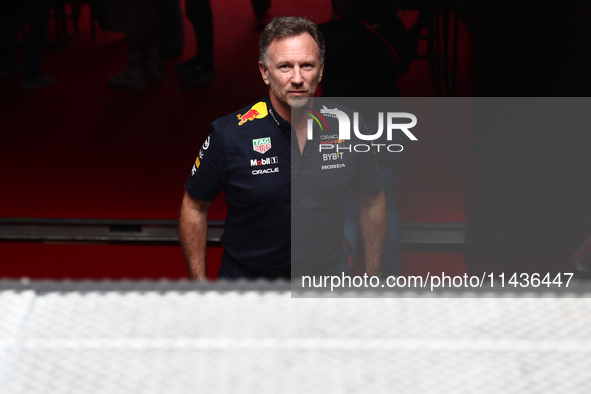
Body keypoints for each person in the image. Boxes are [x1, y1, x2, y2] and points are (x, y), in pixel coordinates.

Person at [179, 16, 386, 280]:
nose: (297, 78)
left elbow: (372, 201)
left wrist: (372, 279)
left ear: (321, 70)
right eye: (285, 66)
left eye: (307, 65)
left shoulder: (351, 129)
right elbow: (195, 206)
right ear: (265, 72)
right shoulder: (229, 136)